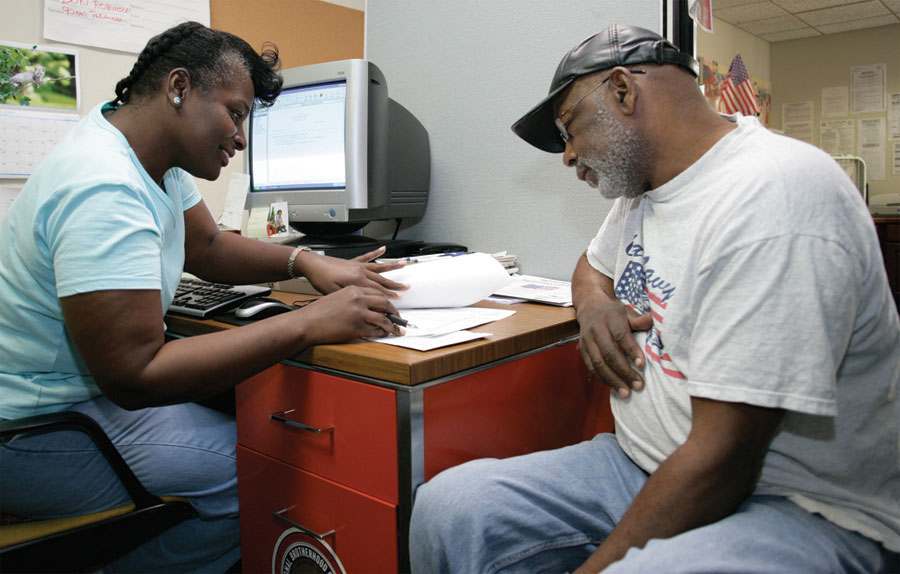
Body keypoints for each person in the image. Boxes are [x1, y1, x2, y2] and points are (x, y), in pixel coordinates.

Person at [409, 24, 900, 573]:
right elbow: (592, 266)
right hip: (640, 461)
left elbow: (727, 458)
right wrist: (593, 305)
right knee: (449, 507)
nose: (568, 157)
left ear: (623, 90)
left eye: (569, 129)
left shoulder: (775, 195)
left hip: (796, 500)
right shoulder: (647, 189)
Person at [0, 21, 408, 572]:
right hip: (36, 429)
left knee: (246, 427)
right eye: (236, 112)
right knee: (258, 469)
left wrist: (307, 261)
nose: (241, 138)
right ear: (178, 88)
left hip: (73, 399)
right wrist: (306, 323)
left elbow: (208, 245)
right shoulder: (104, 186)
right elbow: (137, 374)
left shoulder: (137, 147)